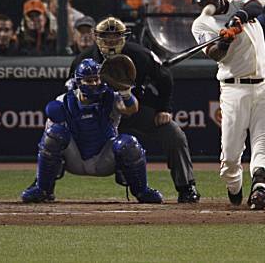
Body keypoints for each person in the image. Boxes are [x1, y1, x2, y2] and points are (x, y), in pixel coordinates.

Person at [69, 16, 200, 203]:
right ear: (96, 37)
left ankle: (187, 186)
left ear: (124, 37)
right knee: (58, 135)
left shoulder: (141, 55)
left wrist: (164, 109)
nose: (111, 41)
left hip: (137, 109)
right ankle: (42, 185)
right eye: (106, 36)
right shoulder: (83, 60)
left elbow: (165, 78)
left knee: (174, 134)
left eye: (115, 36)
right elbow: (70, 93)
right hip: (100, 117)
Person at [21, 58, 163, 204]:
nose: (95, 84)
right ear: (79, 82)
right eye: (89, 80)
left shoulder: (111, 97)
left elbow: (131, 109)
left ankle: (142, 191)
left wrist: (126, 92)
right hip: (75, 157)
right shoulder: (64, 100)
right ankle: (43, 188)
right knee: (54, 134)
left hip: (104, 157)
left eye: (97, 79)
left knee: (129, 143)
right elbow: (48, 136)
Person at [190, 0, 265, 210]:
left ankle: (260, 185)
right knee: (230, 155)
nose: (205, 2)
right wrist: (226, 40)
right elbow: (216, 54)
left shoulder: (238, 0)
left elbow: (257, 5)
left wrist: (239, 17)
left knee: (262, 138)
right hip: (234, 89)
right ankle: (234, 186)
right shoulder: (201, 24)